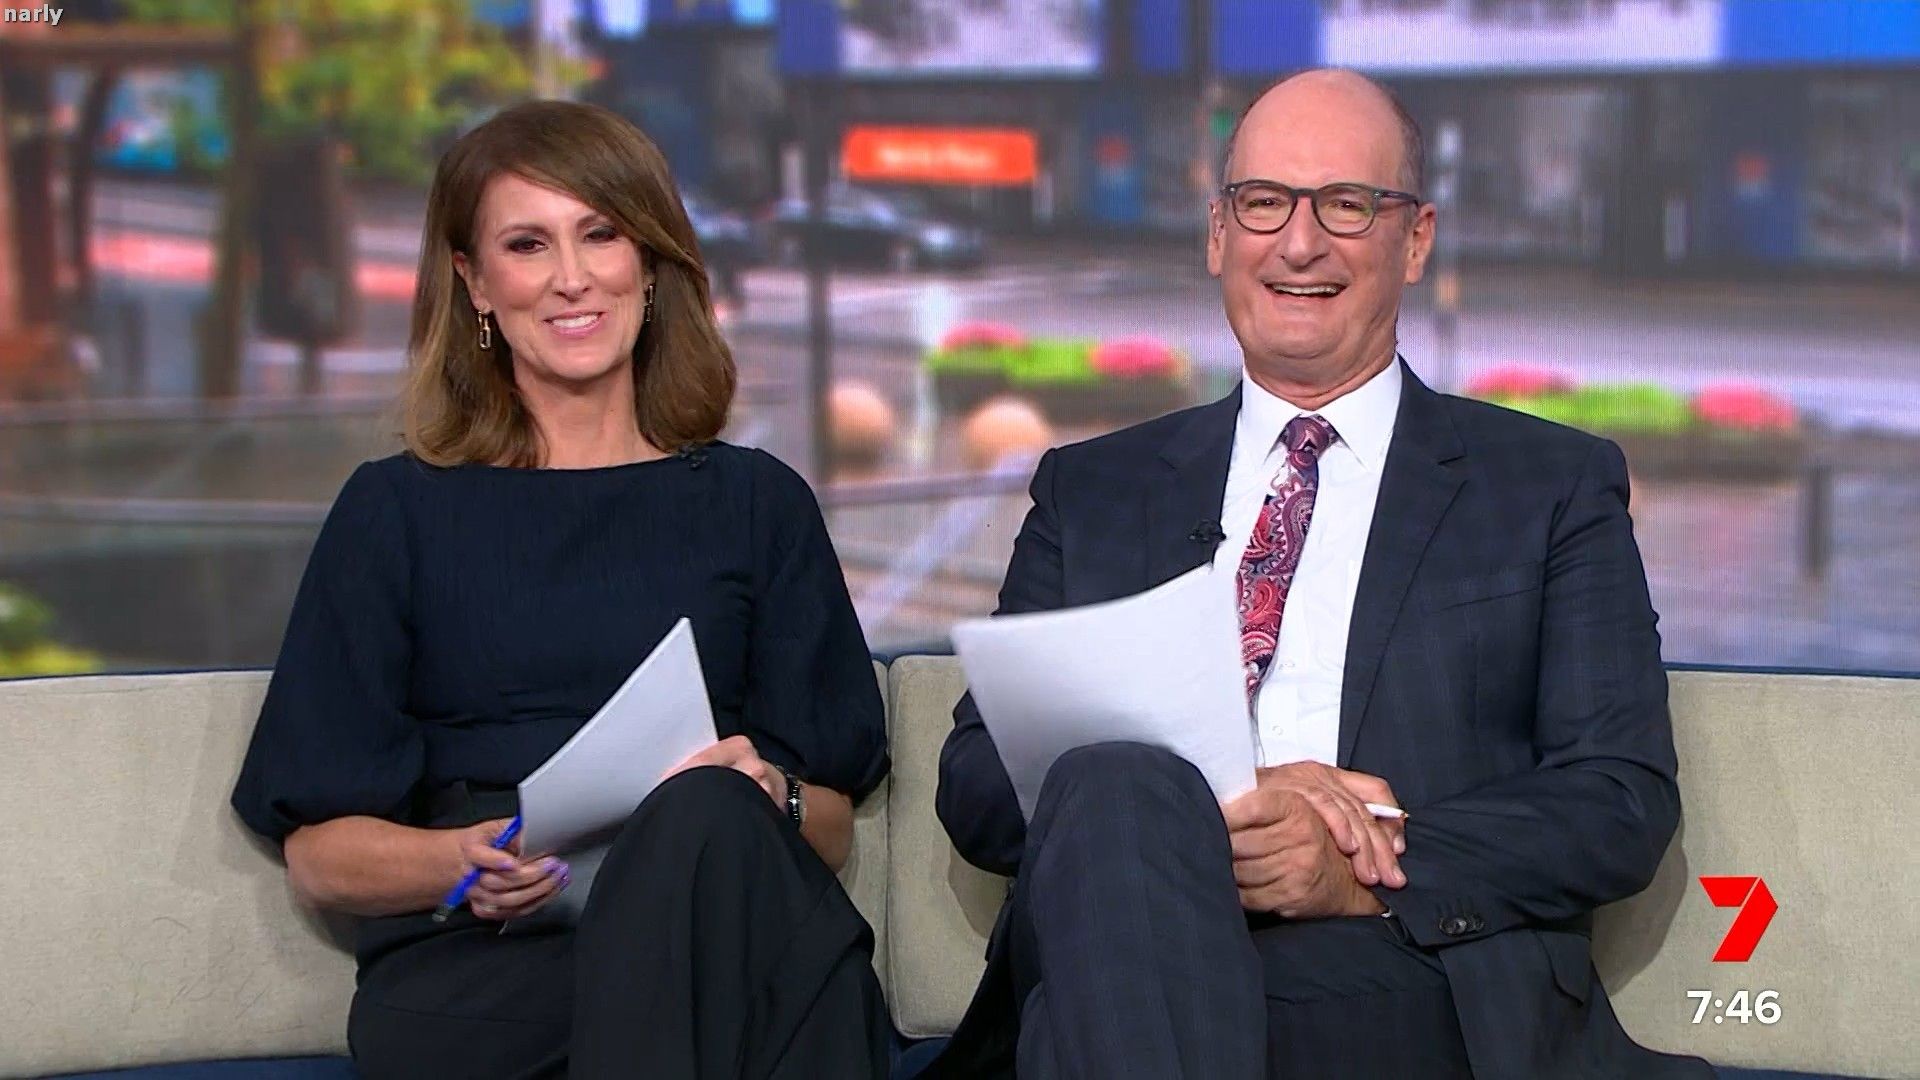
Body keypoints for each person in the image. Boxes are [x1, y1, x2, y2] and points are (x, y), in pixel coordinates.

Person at [926, 70, 1715, 1080]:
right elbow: (980, 783)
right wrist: (1207, 814)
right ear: (1219, 234)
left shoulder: (1547, 486)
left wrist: (1355, 864)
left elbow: (1617, 799)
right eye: (1264, 202)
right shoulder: (1093, 492)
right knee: (1115, 781)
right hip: (1115, 946)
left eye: (1346, 204)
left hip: (1398, 965)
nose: (1299, 244)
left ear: (1415, 240)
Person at [230, 101, 891, 1080]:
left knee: (711, 819)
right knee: (778, 989)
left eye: (601, 234)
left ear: (650, 264)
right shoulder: (395, 512)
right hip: (491, 973)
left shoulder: (758, 504)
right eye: (527, 244)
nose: (572, 277)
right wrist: (461, 862)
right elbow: (320, 858)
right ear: (475, 282)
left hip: (719, 927)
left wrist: (773, 797)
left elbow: (827, 829)